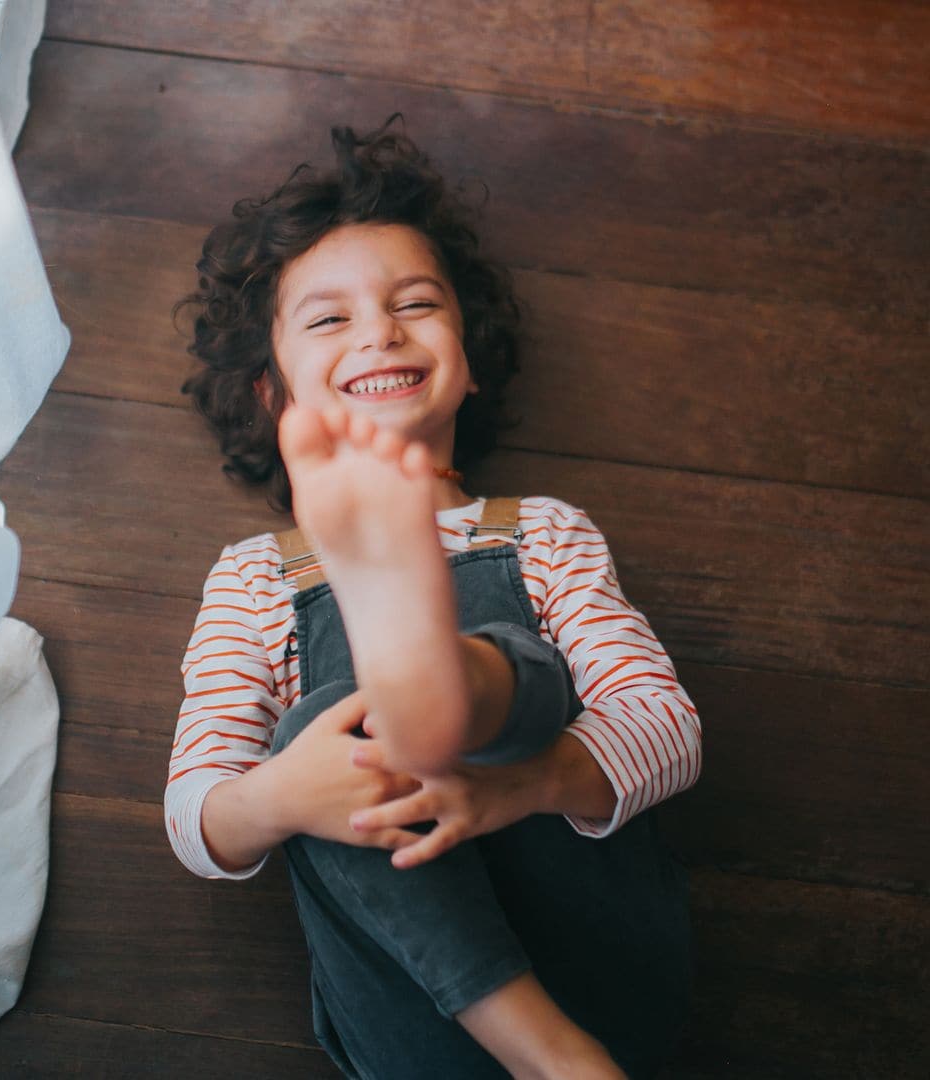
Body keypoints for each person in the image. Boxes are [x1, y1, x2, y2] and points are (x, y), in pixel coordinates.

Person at [165, 118, 702, 1080]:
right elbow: (197, 816)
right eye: (328, 320)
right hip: (417, 1011)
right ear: (271, 394)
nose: (379, 330)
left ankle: (443, 684)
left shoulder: (540, 530)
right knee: (327, 735)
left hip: (592, 958)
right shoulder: (255, 576)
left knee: (499, 675)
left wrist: (515, 785)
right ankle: (413, 692)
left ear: (470, 358)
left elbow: (663, 726)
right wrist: (285, 795)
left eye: (414, 303)